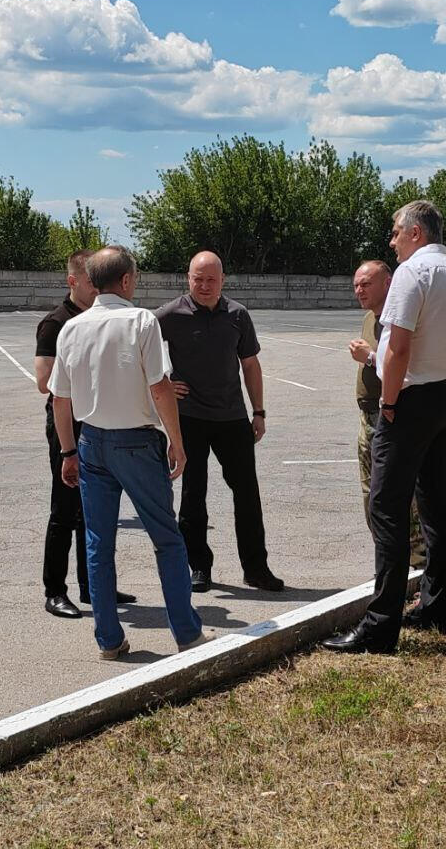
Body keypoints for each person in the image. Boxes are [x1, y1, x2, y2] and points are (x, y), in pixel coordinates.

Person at [323, 202, 446, 654]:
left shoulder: (413, 274)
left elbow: (397, 350)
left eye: (395, 233)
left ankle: (379, 627)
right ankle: (435, 608)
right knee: (436, 504)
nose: (391, 242)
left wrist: (389, 403)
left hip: (410, 401)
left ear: (415, 232)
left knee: (386, 507)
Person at [49, 246, 207, 659]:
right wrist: (177, 439)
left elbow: (60, 400)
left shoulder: (72, 328)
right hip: (136, 442)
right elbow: (159, 386)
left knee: (99, 544)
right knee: (167, 540)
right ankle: (187, 634)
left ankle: (109, 640)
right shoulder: (141, 321)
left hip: (90, 442)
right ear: (126, 280)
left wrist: (69, 451)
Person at [156, 251, 284, 593]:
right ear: (188, 278)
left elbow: (251, 366)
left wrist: (259, 411)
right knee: (193, 495)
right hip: (190, 419)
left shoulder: (238, 315)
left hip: (232, 419)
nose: (204, 285)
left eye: (211, 279)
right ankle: (199, 566)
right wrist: (164, 380)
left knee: (247, 495)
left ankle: (256, 568)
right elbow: (140, 353)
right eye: (198, 278)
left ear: (223, 280)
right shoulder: (169, 315)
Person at [34, 251, 136, 618]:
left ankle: (93, 587)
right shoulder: (56, 323)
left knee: (93, 513)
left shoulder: (102, 319)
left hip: (97, 422)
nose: (96, 288)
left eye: (98, 281)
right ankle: (54, 590)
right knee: (64, 510)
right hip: (67, 426)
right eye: (89, 281)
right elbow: (44, 382)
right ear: (72, 281)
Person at [348, 260, 425, 569]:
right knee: (371, 495)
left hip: (391, 416)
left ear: (387, 283)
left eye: (366, 283)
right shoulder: (371, 318)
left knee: (402, 497)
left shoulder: (399, 320)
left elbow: (402, 364)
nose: (359, 290)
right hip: (367, 417)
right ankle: (389, 562)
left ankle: (418, 565)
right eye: (356, 284)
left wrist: (368, 358)